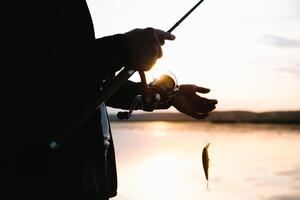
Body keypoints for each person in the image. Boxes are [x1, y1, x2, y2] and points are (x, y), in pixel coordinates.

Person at [7, 0, 217, 199]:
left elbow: (83, 85)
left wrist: (168, 97)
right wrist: (123, 48)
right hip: (44, 181)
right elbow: (32, 73)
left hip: (86, 180)